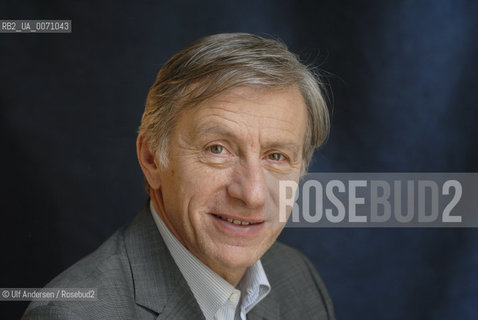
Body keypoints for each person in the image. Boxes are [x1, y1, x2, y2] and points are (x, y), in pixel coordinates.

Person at [23, 33, 335, 320]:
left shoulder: (298, 277)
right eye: (217, 149)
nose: (252, 193)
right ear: (151, 159)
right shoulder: (72, 314)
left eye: (276, 157)